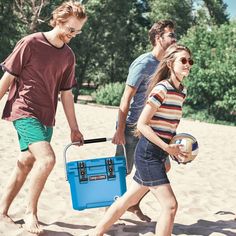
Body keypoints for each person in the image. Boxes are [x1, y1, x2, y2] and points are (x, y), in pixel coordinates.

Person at [0, 1, 86, 234]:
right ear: (58, 20)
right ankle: (31, 213)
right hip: (23, 109)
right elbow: (7, 79)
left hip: (47, 116)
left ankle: (2, 211)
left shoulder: (68, 56)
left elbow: (66, 94)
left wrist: (74, 128)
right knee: (47, 160)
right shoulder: (30, 43)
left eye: (77, 31)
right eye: (70, 29)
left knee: (26, 162)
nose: (73, 35)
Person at [92, 43, 194, 236]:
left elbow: (168, 126)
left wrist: (173, 149)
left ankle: (95, 233)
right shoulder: (162, 88)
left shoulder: (182, 91)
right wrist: (166, 147)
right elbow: (142, 124)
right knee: (170, 206)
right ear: (170, 63)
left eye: (190, 61)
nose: (188, 64)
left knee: (127, 200)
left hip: (157, 152)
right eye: (183, 60)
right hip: (147, 153)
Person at [112, 20, 176, 221]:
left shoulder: (166, 64)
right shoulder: (143, 63)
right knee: (123, 170)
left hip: (153, 129)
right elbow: (126, 98)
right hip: (132, 126)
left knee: (162, 167)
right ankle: (112, 209)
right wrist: (120, 129)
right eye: (170, 35)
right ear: (159, 38)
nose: (174, 39)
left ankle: (133, 204)